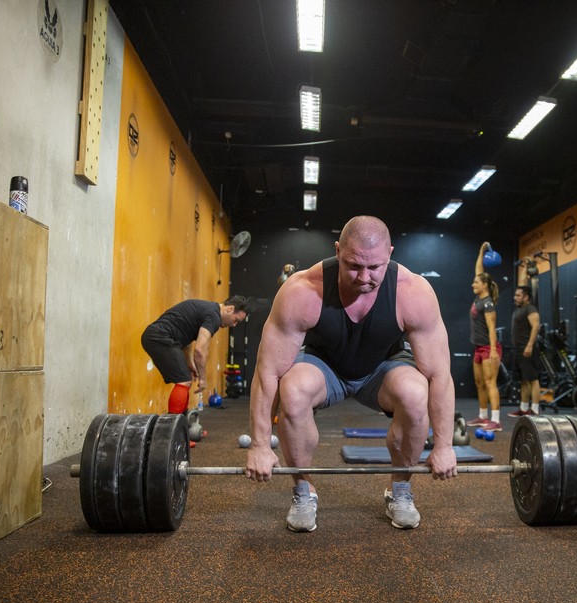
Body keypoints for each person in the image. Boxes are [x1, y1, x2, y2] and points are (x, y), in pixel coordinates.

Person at [244, 215, 458, 532]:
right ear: (337, 251)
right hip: (323, 366)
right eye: (353, 266)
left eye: (375, 268)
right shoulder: (303, 290)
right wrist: (260, 445)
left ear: (390, 254)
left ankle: (400, 489)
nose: (363, 277)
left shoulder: (413, 292)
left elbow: (440, 374)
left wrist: (443, 445)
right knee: (293, 389)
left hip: (382, 371)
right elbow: (267, 373)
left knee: (415, 392)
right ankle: (304, 490)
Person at [141, 297, 249, 442]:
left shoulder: (209, 310)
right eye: (236, 320)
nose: (234, 325)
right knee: (184, 381)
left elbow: (186, 339)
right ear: (229, 309)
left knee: (185, 380)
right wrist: (203, 379)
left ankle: (180, 430)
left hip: (161, 337)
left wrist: (190, 363)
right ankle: (171, 435)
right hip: (160, 337)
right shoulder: (214, 316)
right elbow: (200, 350)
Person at [466, 242, 503, 432]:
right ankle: (482, 416)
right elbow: (479, 269)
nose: (473, 284)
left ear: (485, 286)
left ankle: (495, 420)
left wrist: (494, 351)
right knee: (479, 383)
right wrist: (481, 251)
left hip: (489, 348)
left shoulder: (487, 303)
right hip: (478, 348)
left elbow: (492, 328)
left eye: (476, 283)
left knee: (490, 383)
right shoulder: (478, 298)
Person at [508, 258, 542, 417]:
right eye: (515, 295)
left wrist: (530, 345)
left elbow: (536, 326)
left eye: (518, 295)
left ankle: (535, 409)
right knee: (523, 380)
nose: (515, 297)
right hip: (518, 349)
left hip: (528, 349)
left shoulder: (530, 308)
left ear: (526, 297)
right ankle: (523, 409)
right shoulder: (520, 308)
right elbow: (522, 282)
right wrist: (525, 266)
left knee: (533, 379)